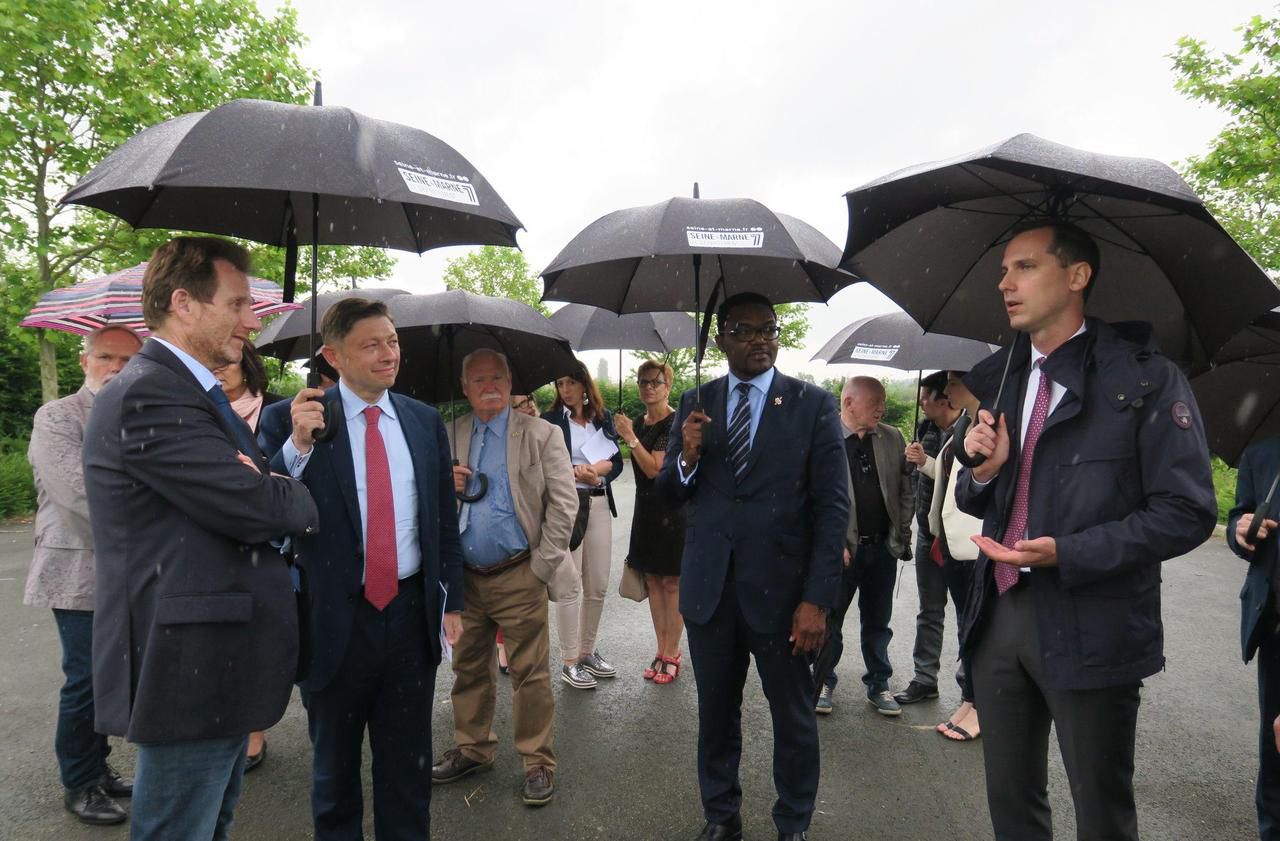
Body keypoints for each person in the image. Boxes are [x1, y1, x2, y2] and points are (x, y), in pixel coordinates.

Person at [956, 220, 1217, 841]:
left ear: (1077, 277)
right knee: (1012, 806)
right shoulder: (1001, 380)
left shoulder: (1145, 378)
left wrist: (1069, 552)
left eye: (1024, 267)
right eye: (1003, 270)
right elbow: (977, 497)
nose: (1005, 284)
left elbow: (1186, 511)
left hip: (1094, 622)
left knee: (1101, 813)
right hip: (999, 616)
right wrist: (982, 471)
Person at [82, 236, 319, 841]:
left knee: (209, 823)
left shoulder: (187, 391)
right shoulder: (151, 393)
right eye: (238, 304)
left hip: (213, 659)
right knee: (179, 829)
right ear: (184, 303)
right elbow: (259, 504)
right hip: (191, 664)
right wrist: (284, 493)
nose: (252, 319)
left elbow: (253, 485)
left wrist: (262, 481)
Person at [261, 297, 464, 841]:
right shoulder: (295, 418)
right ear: (333, 355)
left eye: (392, 341)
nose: (387, 353)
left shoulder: (422, 422)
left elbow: (442, 520)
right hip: (332, 620)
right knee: (334, 774)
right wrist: (297, 447)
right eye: (370, 345)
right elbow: (264, 508)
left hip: (408, 615)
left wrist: (453, 601)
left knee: (407, 769)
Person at [656, 292, 849, 841]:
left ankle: (793, 822)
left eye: (770, 328)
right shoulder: (696, 401)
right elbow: (669, 494)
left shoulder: (813, 405)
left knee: (793, 717)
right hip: (710, 593)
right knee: (717, 715)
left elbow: (833, 507)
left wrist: (818, 599)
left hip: (786, 598)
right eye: (746, 330)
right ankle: (722, 814)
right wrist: (687, 456)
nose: (761, 339)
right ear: (720, 340)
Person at [430, 349, 577, 806]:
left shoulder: (541, 433)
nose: (488, 385)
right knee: (468, 667)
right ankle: (473, 747)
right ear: (465, 386)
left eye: (497, 377)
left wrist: (542, 565)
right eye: (478, 380)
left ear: (510, 381)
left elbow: (564, 503)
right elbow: (425, 504)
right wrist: (443, 485)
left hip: (518, 573)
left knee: (530, 674)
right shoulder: (448, 434)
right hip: (465, 578)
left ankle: (537, 762)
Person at [25, 325, 141, 826]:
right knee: (87, 680)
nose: (116, 368)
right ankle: (79, 781)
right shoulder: (57, 417)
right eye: (106, 358)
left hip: (132, 570)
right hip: (77, 569)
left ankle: (98, 766)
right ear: (83, 360)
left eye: (127, 361)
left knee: (114, 675)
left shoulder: (138, 416)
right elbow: (78, 497)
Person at [817, 376, 913, 717]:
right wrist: (830, 543)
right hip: (839, 553)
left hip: (881, 549)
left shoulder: (892, 436)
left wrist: (899, 536)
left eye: (883, 401)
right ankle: (823, 678)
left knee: (878, 621)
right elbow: (810, 497)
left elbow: (904, 486)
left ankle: (878, 683)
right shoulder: (823, 438)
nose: (881, 408)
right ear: (848, 403)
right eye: (875, 402)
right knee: (830, 620)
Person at [212, 341, 286, 772]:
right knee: (230, 639)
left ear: (248, 365)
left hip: (276, 542)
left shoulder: (280, 409)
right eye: (214, 363)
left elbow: (293, 470)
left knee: (266, 639)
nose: (221, 369)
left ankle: (256, 728)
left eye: (230, 361)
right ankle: (235, 724)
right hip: (223, 542)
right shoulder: (199, 410)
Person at [542, 361, 623, 689]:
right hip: (567, 506)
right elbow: (544, 461)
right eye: (560, 383)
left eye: (571, 383)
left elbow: (616, 461)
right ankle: (570, 659)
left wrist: (598, 471)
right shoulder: (549, 421)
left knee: (598, 583)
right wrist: (576, 471)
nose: (565, 389)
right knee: (569, 585)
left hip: (600, 500)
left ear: (584, 386)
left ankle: (587, 651)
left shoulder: (601, 419)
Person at [914, 371, 982, 741]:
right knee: (955, 619)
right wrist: (924, 461)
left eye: (956, 381)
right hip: (947, 542)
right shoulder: (966, 424)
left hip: (972, 546)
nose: (951, 386)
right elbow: (947, 473)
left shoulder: (987, 422)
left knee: (974, 625)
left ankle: (978, 702)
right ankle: (969, 700)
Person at [614, 359, 686, 683]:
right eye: (643, 382)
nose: (647, 387)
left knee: (673, 583)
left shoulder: (674, 424)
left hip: (672, 512)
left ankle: (672, 653)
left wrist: (629, 437)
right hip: (645, 513)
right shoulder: (640, 423)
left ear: (667, 387)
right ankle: (660, 649)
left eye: (655, 382)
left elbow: (654, 469)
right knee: (654, 584)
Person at [897, 371, 964, 709]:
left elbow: (958, 478)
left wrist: (924, 462)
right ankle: (925, 679)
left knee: (969, 614)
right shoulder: (926, 429)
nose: (922, 402)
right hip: (928, 532)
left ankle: (972, 690)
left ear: (945, 399)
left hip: (960, 541)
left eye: (926, 397)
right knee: (930, 611)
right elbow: (916, 480)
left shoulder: (970, 431)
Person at [1228, 436, 1280, 839]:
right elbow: (1240, 517)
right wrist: (1241, 531)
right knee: (1274, 753)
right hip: (1273, 626)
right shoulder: (1262, 454)